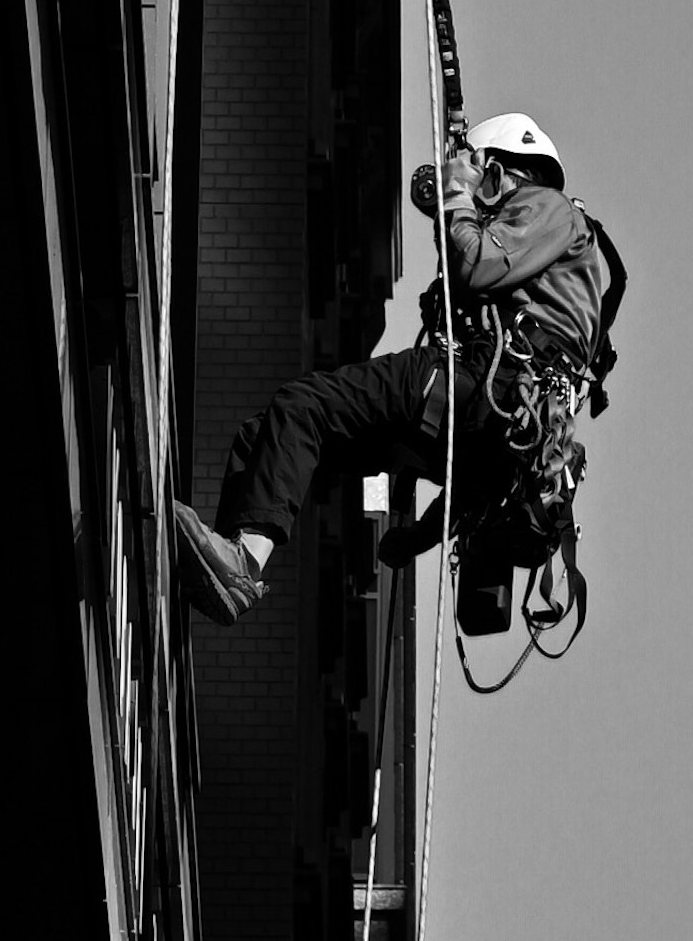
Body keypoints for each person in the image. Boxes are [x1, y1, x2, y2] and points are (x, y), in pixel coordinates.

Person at [174, 110, 616, 627]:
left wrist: (455, 192)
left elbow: (474, 262)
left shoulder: (550, 208)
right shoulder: (544, 267)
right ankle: (231, 563)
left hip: (473, 383)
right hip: (474, 411)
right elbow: (473, 473)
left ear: (501, 171)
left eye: (483, 177)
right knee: (264, 436)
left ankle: (241, 564)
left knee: (303, 406)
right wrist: (420, 536)